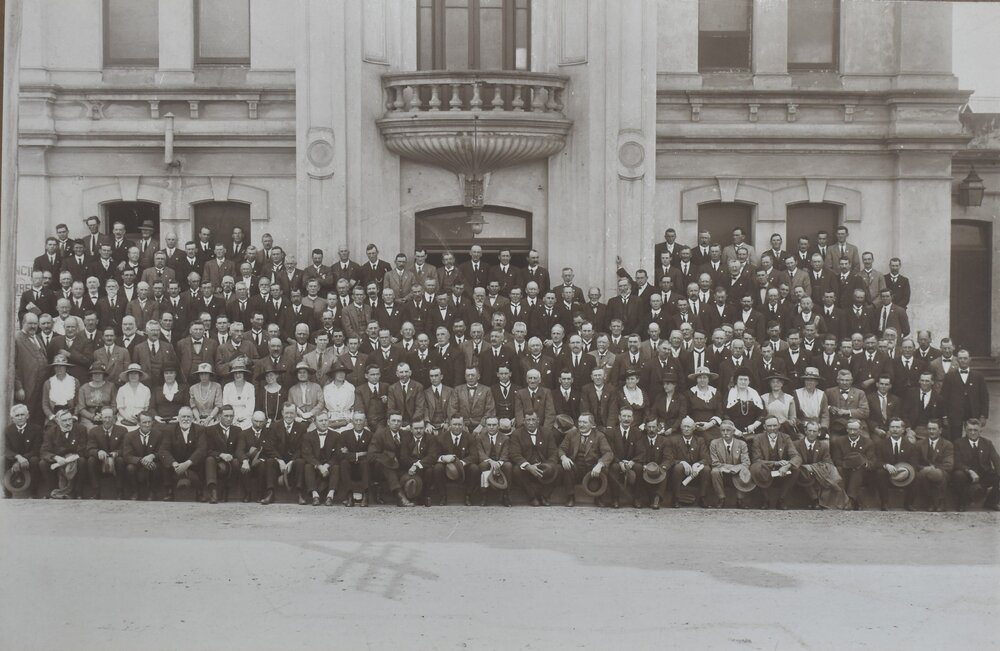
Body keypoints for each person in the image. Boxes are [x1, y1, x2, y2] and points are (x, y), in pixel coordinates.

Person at [557, 413, 613, 507]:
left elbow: (608, 453)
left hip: (592, 468)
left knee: (603, 469)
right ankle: (570, 497)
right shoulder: (572, 434)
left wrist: (600, 464)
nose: (581, 425)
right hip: (576, 467)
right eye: (579, 422)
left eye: (585, 422)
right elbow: (561, 449)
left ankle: (598, 497)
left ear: (592, 424)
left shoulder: (599, 436)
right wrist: (564, 458)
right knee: (567, 466)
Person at [749, 416, 802, 510]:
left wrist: (787, 466)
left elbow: (796, 456)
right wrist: (776, 463)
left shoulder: (785, 437)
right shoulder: (758, 438)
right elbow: (757, 459)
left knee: (796, 470)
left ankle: (781, 499)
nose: (772, 428)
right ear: (764, 427)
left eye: (775, 425)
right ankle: (765, 500)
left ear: (779, 426)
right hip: (766, 469)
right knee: (755, 468)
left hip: (781, 471)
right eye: (769, 426)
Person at [794, 421, 848, 510]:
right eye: (809, 431)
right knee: (802, 472)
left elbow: (828, 462)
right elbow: (794, 460)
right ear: (805, 431)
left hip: (817, 473)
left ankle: (827, 501)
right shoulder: (796, 444)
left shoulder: (823, 446)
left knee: (831, 475)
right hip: (802, 472)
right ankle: (815, 499)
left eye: (814, 431)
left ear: (818, 433)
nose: (811, 433)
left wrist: (812, 468)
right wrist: (806, 467)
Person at [509, 411, 559, 506]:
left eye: (533, 420)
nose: (531, 423)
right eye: (528, 420)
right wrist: (528, 466)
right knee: (516, 470)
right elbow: (514, 454)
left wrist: (547, 466)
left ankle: (545, 496)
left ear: (538, 421)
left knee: (559, 469)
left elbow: (553, 453)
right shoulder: (517, 434)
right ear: (524, 421)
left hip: (544, 467)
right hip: (527, 468)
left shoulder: (547, 433)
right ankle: (532, 496)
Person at [951, 418, 1000, 512]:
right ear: (965, 430)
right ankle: (962, 503)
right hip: (966, 474)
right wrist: (969, 471)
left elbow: (996, 460)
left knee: (997, 475)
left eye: (975, 430)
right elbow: (957, 462)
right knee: (958, 475)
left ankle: (991, 502)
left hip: (983, 474)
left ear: (980, 430)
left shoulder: (987, 443)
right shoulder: (958, 443)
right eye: (970, 430)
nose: (973, 433)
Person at [159, 406, 206, 502]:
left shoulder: (200, 429)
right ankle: (169, 492)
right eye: (183, 416)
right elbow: (164, 450)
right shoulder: (169, 430)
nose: (186, 419)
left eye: (188, 417)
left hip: (193, 463)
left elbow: (202, 449)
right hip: (176, 464)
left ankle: (200, 492)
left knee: (203, 458)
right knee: (165, 460)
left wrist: (187, 463)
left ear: (193, 418)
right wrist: (174, 464)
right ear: (178, 418)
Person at [41, 409, 88, 499]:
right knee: (43, 463)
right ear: (58, 421)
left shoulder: (81, 429)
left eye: (70, 419)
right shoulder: (50, 432)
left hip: (74, 457)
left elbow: (83, 449)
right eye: (64, 420)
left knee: (82, 461)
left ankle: (78, 492)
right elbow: (44, 451)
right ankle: (53, 491)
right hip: (58, 457)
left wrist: (67, 460)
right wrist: (55, 457)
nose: (68, 423)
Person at [873, 417, 917, 511]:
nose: (895, 430)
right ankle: (884, 503)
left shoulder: (910, 446)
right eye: (892, 427)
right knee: (880, 473)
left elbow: (914, 464)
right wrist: (886, 465)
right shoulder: (880, 444)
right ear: (889, 429)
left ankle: (909, 504)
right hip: (887, 474)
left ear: (903, 430)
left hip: (904, 475)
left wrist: (907, 470)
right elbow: (876, 461)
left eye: (897, 427)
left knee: (916, 474)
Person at [434, 415, 479, 505]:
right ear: (450, 425)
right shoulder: (441, 438)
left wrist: (461, 463)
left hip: (463, 468)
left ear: (463, 425)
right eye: (455, 424)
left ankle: (468, 495)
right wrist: (443, 458)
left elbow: (474, 456)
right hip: (447, 467)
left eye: (459, 424)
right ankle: (443, 496)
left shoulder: (469, 437)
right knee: (438, 468)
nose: (457, 427)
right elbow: (434, 455)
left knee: (474, 468)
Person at [830, 419, 874, 510]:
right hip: (845, 469)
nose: (852, 432)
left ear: (860, 430)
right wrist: (849, 465)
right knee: (839, 469)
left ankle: (850, 500)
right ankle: (853, 501)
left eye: (855, 429)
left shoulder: (868, 442)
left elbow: (871, 462)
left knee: (857, 471)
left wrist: (862, 463)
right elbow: (836, 459)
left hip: (862, 473)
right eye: (850, 429)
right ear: (846, 429)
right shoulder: (839, 441)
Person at [85, 406, 127, 500]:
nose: (107, 420)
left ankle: (120, 491)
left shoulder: (122, 430)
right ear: (101, 418)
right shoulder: (94, 431)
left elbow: (125, 448)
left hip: (115, 459)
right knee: (91, 460)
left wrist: (116, 453)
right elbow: (89, 449)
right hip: (100, 460)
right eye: (105, 417)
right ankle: (96, 491)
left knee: (120, 460)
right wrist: (98, 452)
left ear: (114, 418)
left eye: (110, 417)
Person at [4, 404, 45, 499]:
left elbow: (37, 449)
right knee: (2, 460)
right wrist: (18, 458)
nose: (20, 417)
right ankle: (7, 491)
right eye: (17, 415)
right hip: (14, 458)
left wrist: (23, 459)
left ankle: (34, 492)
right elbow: (5, 448)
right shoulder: (8, 430)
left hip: (30, 457)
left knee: (35, 461)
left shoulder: (36, 429)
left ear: (27, 416)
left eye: (22, 414)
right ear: (12, 418)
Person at [201, 404, 241, 503]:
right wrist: (220, 455)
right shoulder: (210, 430)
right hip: (216, 459)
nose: (229, 419)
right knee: (209, 460)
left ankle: (226, 489)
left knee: (236, 463)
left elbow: (239, 449)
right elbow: (207, 450)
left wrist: (231, 456)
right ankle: (213, 492)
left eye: (231, 416)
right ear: (219, 416)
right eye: (226, 416)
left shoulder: (237, 430)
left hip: (231, 460)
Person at [668, 416, 710, 508]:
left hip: (695, 472)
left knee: (706, 469)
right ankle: (676, 498)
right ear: (681, 427)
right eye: (684, 426)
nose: (686, 429)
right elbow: (670, 459)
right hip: (680, 472)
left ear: (694, 428)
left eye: (689, 427)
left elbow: (706, 458)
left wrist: (697, 464)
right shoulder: (673, 440)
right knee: (678, 467)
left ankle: (702, 497)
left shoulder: (700, 440)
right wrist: (682, 462)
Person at [301, 411, 342, 506]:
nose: (324, 423)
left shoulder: (336, 436)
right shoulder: (308, 436)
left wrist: (327, 465)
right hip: (315, 465)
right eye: (321, 421)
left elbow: (337, 454)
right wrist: (319, 466)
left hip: (329, 465)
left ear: (329, 421)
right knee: (307, 466)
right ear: (315, 423)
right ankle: (315, 495)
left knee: (336, 467)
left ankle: (330, 496)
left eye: (326, 420)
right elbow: (307, 454)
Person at [709, 420, 752, 508]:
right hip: (722, 472)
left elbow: (746, 463)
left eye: (728, 430)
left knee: (744, 470)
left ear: (733, 431)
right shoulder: (714, 443)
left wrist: (733, 469)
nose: (725, 433)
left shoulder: (742, 444)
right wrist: (730, 468)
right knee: (714, 471)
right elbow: (715, 463)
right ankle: (721, 498)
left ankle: (740, 500)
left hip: (737, 473)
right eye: (723, 430)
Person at [913, 420, 953, 512]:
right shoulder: (919, 444)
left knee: (937, 474)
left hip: (942, 472)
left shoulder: (947, 444)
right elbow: (914, 462)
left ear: (940, 430)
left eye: (934, 429)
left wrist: (933, 469)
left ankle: (941, 502)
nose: (931, 431)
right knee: (924, 475)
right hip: (924, 471)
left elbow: (948, 465)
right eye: (929, 429)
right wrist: (925, 468)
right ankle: (931, 502)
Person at [474, 416, 512, 507]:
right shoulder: (480, 437)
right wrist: (491, 462)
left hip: (500, 461)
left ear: (498, 426)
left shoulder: (505, 438)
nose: (491, 427)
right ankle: (484, 495)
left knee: (508, 466)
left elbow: (506, 454)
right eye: (489, 425)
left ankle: (506, 495)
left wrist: (498, 463)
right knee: (483, 465)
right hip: (487, 461)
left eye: (494, 425)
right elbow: (480, 453)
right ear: (485, 426)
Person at [340, 411, 373, 507]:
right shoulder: (344, 435)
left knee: (365, 462)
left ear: (365, 421)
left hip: (364, 468)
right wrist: (358, 454)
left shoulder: (370, 435)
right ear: (352, 421)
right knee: (344, 462)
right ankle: (349, 496)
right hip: (349, 468)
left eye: (361, 420)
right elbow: (341, 455)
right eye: (356, 420)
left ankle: (365, 495)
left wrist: (350, 454)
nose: (358, 423)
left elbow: (371, 453)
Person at [236, 411, 269, 503]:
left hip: (262, 461)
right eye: (256, 421)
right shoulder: (244, 434)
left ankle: (260, 494)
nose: (258, 424)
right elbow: (239, 450)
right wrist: (245, 461)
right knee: (243, 465)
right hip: (249, 460)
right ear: (251, 420)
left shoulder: (269, 433)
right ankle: (247, 493)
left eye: (261, 422)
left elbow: (271, 450)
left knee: (262, 465)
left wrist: (262, 459)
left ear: (265, 421)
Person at [724, 369, 764, 439]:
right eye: (740, 379)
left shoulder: (755, 394)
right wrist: (734, 429)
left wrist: (754, 426)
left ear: (749, 381)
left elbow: (762, 414)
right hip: (733, 432)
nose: (743, 382)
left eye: (745, 380)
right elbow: (725, 414)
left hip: (753, 431)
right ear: (736, 380)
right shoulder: (729, 395)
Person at [41, 355, 80, 427]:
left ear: (66, 367)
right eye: (56, 366)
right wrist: (52, 417)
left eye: (62, 366)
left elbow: (78, 403)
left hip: (70, 416)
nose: (59, 369)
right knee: (51, 431)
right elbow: (45, 404)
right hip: (54, 416)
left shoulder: (74, 381)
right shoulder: (48, 383)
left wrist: (74, 416)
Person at [76, 362, 115, 429]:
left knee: (110, 428)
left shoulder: (111, 386)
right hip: (89, 417)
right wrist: (92, 417)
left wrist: (107, 414)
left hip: (107, 415)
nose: (97, 375)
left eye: (100, 373)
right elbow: (81, 408)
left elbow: (114, 405)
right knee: (92, 429)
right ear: (91, 375)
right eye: (94, 373)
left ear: (103, 374)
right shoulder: (84, 388)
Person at [686, 367, 721, 441]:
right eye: (699, 377)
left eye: (705, 377)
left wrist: (710, 424)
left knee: (721, 439)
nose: (702, 380)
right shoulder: (690, 393)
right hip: (697, 426)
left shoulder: (715, 393)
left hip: (712, 425)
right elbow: (686, 412)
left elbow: (719, 412)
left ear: (708, 379)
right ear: (696, 379)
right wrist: (694, 424)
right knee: (708, 439)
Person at [115, 364, 151, 430]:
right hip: (124, 420)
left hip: (141, 421)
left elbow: (146, 408)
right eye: (131, 373)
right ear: (128, 375)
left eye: (136, 373)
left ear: (139, 375)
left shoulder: (146, 389)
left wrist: (139, 418)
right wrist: (128, 418)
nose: (133, 376)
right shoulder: (122, 389)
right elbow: (120, 408)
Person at [222, 362, 256, 430]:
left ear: (244, 374)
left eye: (240, 372)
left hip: (246, 417)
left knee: (246, 429)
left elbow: (250, 408)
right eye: (235, 373)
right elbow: (225, 405)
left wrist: (239, 417)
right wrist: (233, 417)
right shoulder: (227, 387)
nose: (237, 375)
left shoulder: (250, 387)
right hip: (229, 416)